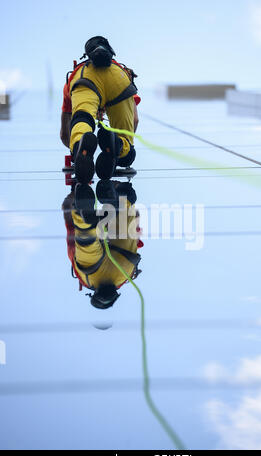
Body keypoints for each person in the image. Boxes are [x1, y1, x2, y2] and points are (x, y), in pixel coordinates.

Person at [60, 36, 141, 183]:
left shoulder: (75, 74)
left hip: (85, 79)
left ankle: (80, 143)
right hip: (118, 80)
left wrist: (74, 150)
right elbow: (135, 119)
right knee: (126, 146)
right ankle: (118, 146)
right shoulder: (121, 70)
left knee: (82, 118)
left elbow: (65, 133)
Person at [62, 181, 143, 310]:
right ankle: (84, 218)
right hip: (94, 274)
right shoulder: (87, 281)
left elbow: (134, 236)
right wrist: (72, 201)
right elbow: (74, 247)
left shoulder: (124, 278)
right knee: (87, 245)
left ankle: (123, 196)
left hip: (122, 264)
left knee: (123, 218)